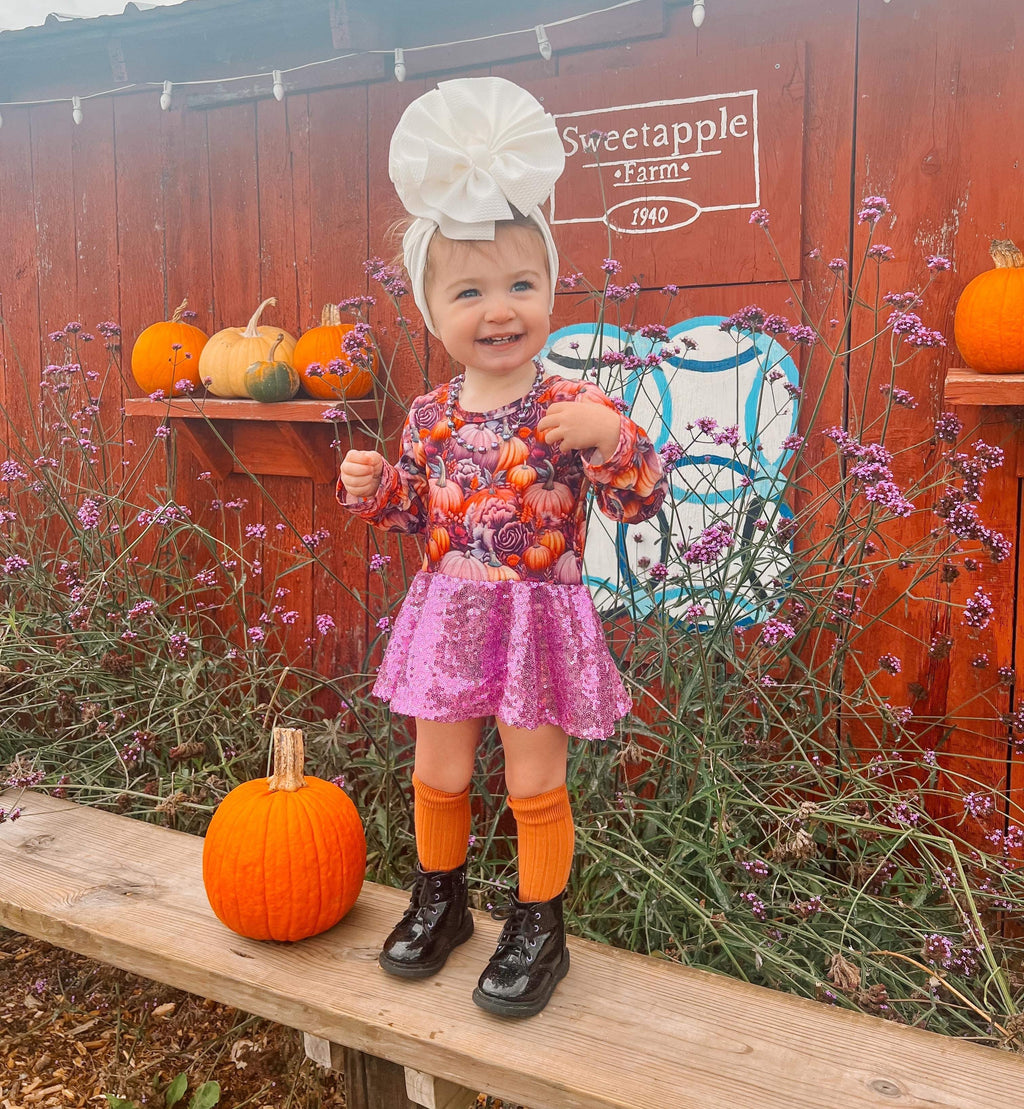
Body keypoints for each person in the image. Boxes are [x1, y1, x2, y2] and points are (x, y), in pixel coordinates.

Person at [338, 76, 668, 1018]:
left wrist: (613, 441)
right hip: (449, 611)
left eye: (522, 285)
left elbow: (641, 499)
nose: (499, 309)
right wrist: (379, 486)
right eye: (471, 291)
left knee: (534, 777)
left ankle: (538, 923)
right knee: (437, 768)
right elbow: (418, 515)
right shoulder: (431, 414)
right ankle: (441, 899)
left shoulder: (575, 404)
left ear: (551, 292)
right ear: (431, 308)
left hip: (536, 619)